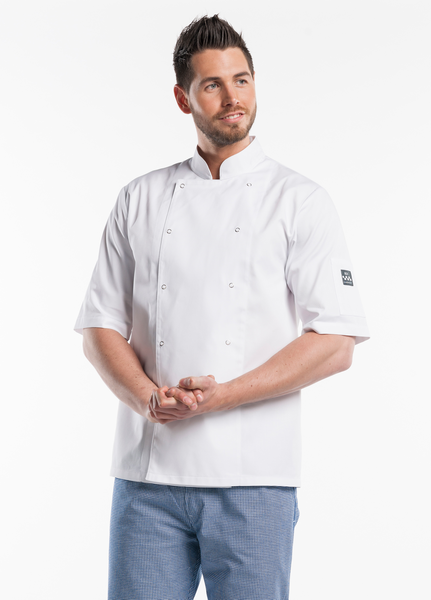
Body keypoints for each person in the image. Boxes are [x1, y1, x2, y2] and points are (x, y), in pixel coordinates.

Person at [74, 14, 369, 600]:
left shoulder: (300, 201)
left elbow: (336, 343)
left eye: (242, 80)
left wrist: (222, 396)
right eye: (213, 84)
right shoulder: (140, 198)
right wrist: (147, 397)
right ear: (183, 98)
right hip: (147, 480)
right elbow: (99, 326)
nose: (233, 97)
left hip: (254, 478)